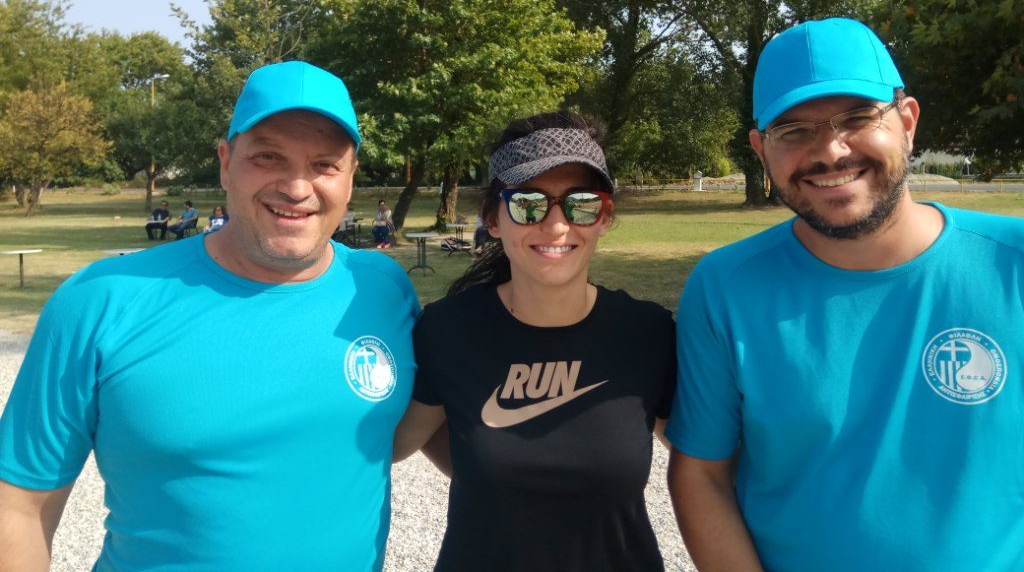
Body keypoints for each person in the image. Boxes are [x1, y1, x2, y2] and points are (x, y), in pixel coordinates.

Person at [0, 60, 419, 572]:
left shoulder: (382, 289)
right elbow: (18, 505)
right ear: (225, 162)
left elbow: (438, 431)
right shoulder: (101, 300)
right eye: (268, 157)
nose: (297, 187)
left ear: (351, 178)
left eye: (325, 165)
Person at [666, 17, 1024, 572]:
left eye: (857, 118)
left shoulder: (1012, 263)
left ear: (908, 122)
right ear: (761, 150)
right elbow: (702, 474)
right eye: (793, 130)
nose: (830, 151)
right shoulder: (726, 288)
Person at [394, 111, 676, 571]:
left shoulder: (649, 333)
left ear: (604, 217)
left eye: (581, 203)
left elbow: (708, 468)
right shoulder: (448, 330)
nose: (557, 225)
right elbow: (391, 442)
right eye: (528, 203)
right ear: (493, 219)